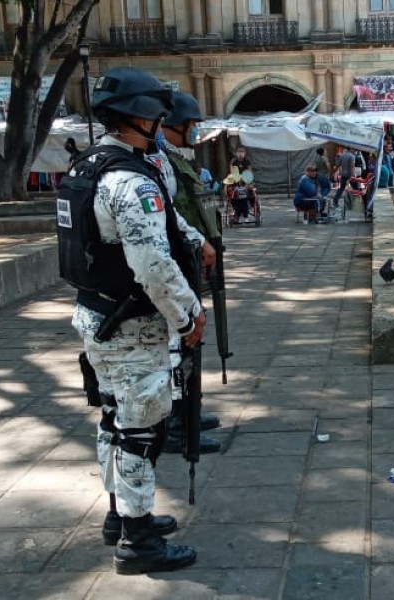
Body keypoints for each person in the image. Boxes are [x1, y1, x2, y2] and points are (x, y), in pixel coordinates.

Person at [67, 67, 199, 573]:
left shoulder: (88, 167)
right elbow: (153, 266)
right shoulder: (129, 178)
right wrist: (189, 317)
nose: (164, 121)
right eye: (158, 113)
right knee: (141, 431)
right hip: (131, 327)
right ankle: (138, 543)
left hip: (95, 316)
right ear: (142, 116)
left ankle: (119, 517)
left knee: (112, 419)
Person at [152, 91, 222, 454]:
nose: (196, 131)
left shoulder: (171, 159)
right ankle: (178, 425)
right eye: (192, 125)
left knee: (186, 345)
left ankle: (188, 411)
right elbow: (165, 218)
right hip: (170, 270)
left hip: (185, 264)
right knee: (178, 346)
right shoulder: (157, 161)